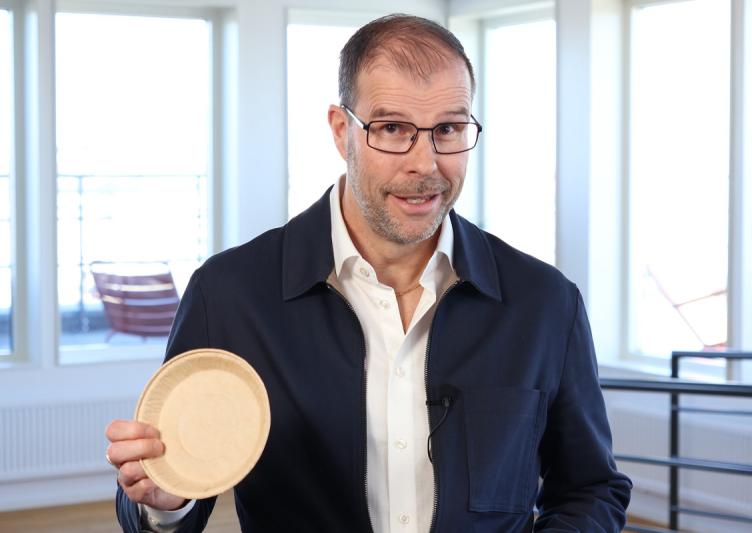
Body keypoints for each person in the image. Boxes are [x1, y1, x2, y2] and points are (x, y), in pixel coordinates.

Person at [106, 13, 632, 533]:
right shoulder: (228, 294)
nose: (425, 164)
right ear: (342, 131)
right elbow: (170, 503)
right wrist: (166, 500)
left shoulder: (546, 303)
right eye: (393, 129)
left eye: (448, 128)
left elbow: (589, 489)